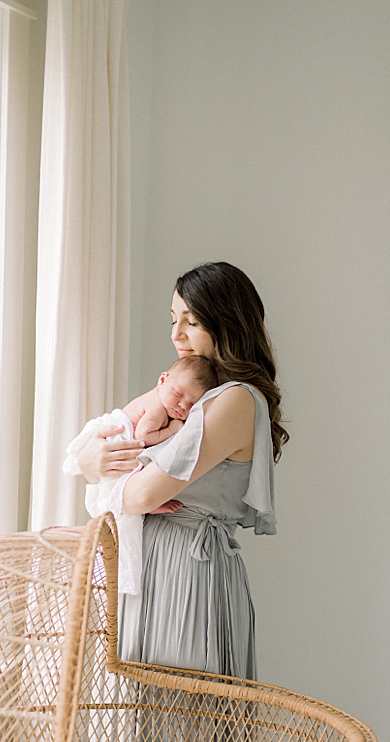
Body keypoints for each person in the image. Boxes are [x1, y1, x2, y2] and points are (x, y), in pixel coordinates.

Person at [74, 261, 286, 683]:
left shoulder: (235, 400)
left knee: (179, 720)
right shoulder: (186, 387)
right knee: (144, 716)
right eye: (174, 320)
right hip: (152, 559)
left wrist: (100, 469)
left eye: (192, 321)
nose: (176, 334)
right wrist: (88, 460)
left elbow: (139, 497)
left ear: (227, 323)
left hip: (186, 566)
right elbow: (106, 434)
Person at [65, 353, 218, 604]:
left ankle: (139, 512)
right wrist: (173, 430)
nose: (181, 406)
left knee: (124, 499)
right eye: (178, 395)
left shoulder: (167, 401)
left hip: (122, 445)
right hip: (120, 436)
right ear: (162, 380)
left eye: (191, 405)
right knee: (123, 499)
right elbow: (145, 437)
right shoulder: (158, 408)